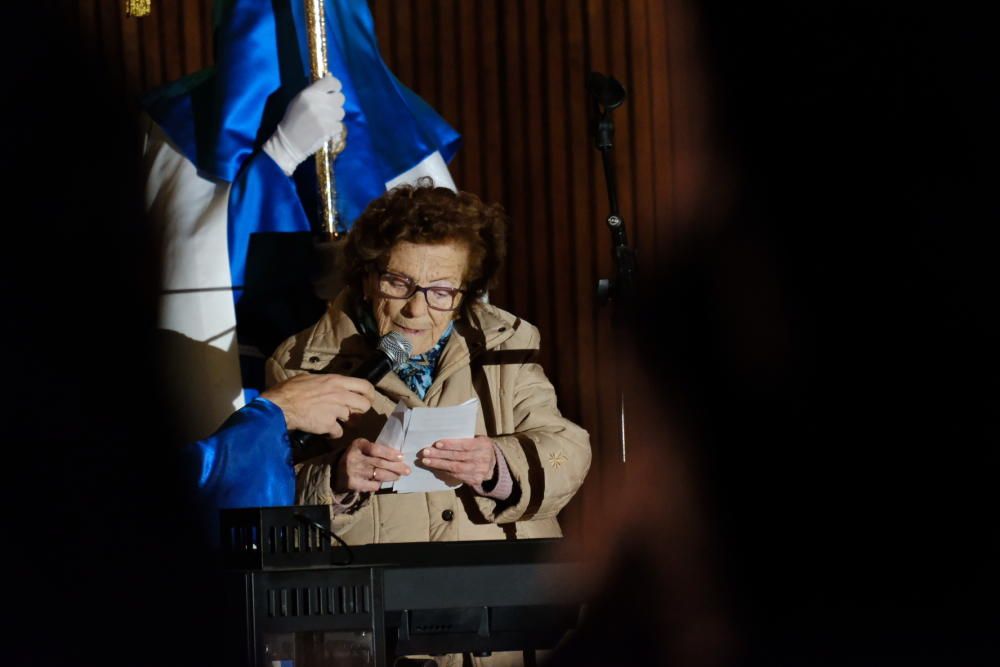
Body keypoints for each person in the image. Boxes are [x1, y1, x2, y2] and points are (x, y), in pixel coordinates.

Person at [266, 182, 591, 545]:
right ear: (368, 278)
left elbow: (569, 451)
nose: (416, 310)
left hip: (501, 580)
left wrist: (498, 463)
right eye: (398, 283)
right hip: (375, 586)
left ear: (466, 291)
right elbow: (263, 490)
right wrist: (336, 477)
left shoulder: (505, 344)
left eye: (441, 292)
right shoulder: (301, 361)